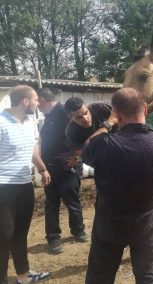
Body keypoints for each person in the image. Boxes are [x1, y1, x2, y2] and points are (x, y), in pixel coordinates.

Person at [82, 88, 153, 284]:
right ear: (145, 108)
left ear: (116, 112)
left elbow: (87, 149)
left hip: (110, 222)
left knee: (100, 276)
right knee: (149, 276)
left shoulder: (103, 145)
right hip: (147, 223)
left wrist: (108, 122)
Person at [0, 85, 51, 284]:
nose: (39, 103)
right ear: (25, 101)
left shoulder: (29, 122)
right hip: (3, 187)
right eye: (36, 100)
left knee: (21, 232)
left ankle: (23, 275)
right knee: (4, 236)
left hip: (23, 185)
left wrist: (42, 168)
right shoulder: (1, 123)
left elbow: (31, 149)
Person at [37, 88, 88, 255]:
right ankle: (53, 238)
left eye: (38, 101)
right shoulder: (50, 116)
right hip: (49, 168)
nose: (37, 105)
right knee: (51, 203)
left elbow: (83, 132)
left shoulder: (65, 111)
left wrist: (77, 158)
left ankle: (78, 231)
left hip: (66, 167)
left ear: (42, 99)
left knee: (72, 202)